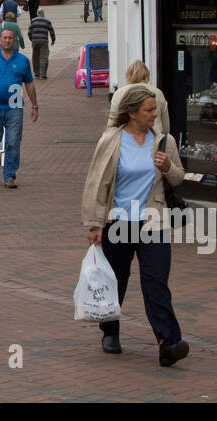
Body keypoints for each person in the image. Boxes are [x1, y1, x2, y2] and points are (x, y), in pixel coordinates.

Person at [81, 83, 189, 367]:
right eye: (149, 110)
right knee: (116, 280)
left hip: (153, 221)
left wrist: (167, 167)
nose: (155, 114)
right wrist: (94, 223)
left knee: (156, 282)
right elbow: (97, 183)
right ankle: (110, 332)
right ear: (132, 113)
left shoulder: (165, 141)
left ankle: (168, 343)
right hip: (118, 221)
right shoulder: (111, 139)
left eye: (156, 109)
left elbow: (178, 178)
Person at [0, 26, 38, 188]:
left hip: (14, 106)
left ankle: (9, 175)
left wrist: (35, 105)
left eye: (11, 38)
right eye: (5, 38)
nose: (8, 40)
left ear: (15, 40)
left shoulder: (22, 60)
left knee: (13, 142)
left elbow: (29, 84)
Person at [110, 60, 171, 135]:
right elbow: (166, 125)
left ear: (128, 75)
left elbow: (111, 125)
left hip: (127, 138)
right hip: (156, 136)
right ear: (147, 75)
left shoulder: (119, 93)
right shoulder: (158, 92)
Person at [27, 9, 56, 80]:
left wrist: (32, 39)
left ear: (37, 13)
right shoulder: (47, 21)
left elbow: (29, 32)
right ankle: (43, 74)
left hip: (35, 41)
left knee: (35, 56)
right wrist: (53, 40)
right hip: (44, 41)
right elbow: (51, 31)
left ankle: (37, 73)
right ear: (43, 14)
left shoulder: (33, 20)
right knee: (44, 56)